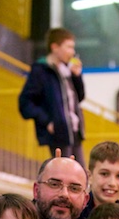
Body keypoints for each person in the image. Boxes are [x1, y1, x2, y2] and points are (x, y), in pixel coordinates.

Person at [19, 27, 85, 166]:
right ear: (55, 47)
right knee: (65, 171)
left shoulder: (67, 70)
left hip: (74, 131)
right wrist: (47, 122)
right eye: (68, 47)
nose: (72, 52)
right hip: (59, 132)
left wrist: (77, 77)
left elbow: (79, 97)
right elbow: (25, 103)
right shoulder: (41, 70)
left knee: (81, 172)